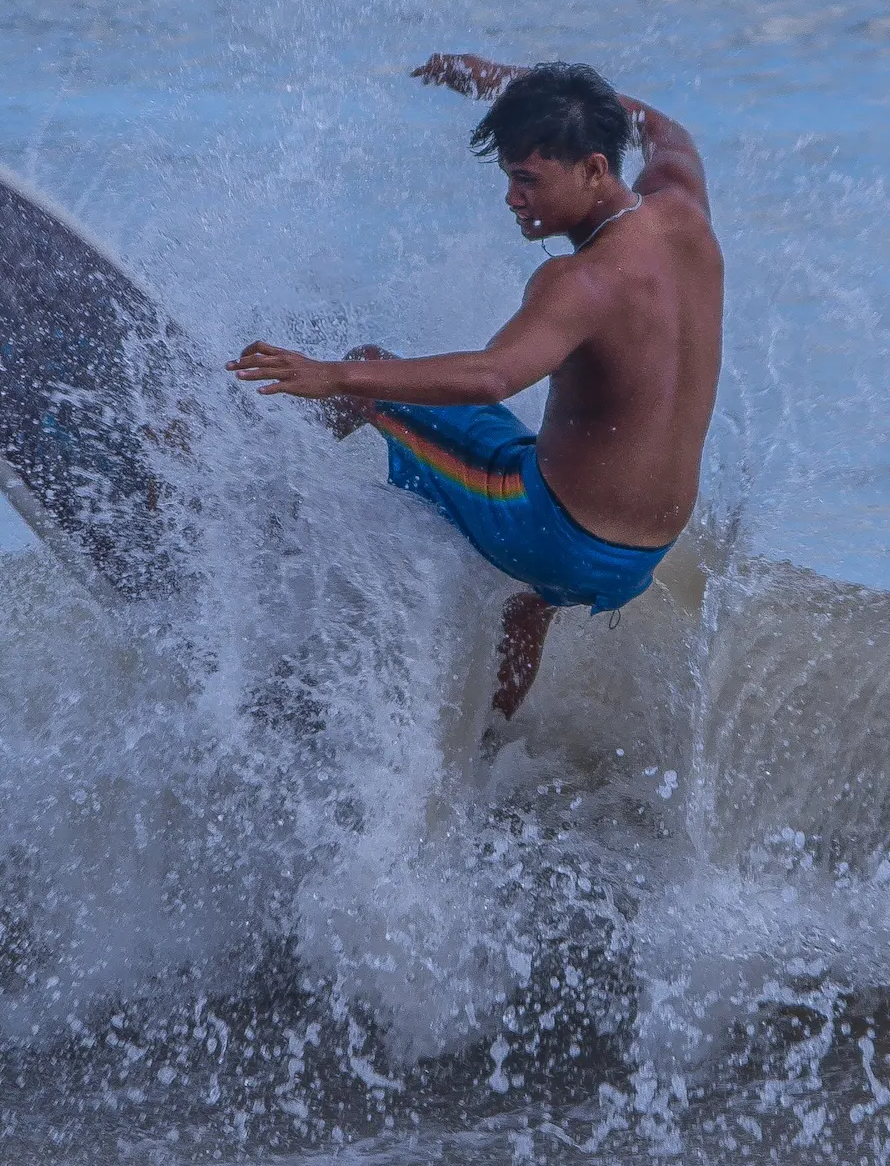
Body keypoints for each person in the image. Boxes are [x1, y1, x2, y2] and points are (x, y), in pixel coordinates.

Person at [231, 55, 724, 721]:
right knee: (530, 599)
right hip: (641, 555)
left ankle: (226, 507)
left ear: (596, 170)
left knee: (372, 372)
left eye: (528, 181)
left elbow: (494, 374)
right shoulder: (684, 212)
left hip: (557, 532)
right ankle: (490, 749)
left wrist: (332, 376)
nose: (512, 198)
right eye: (509, 178)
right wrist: (507, 81)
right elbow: (663, 127)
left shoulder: (582, 281)